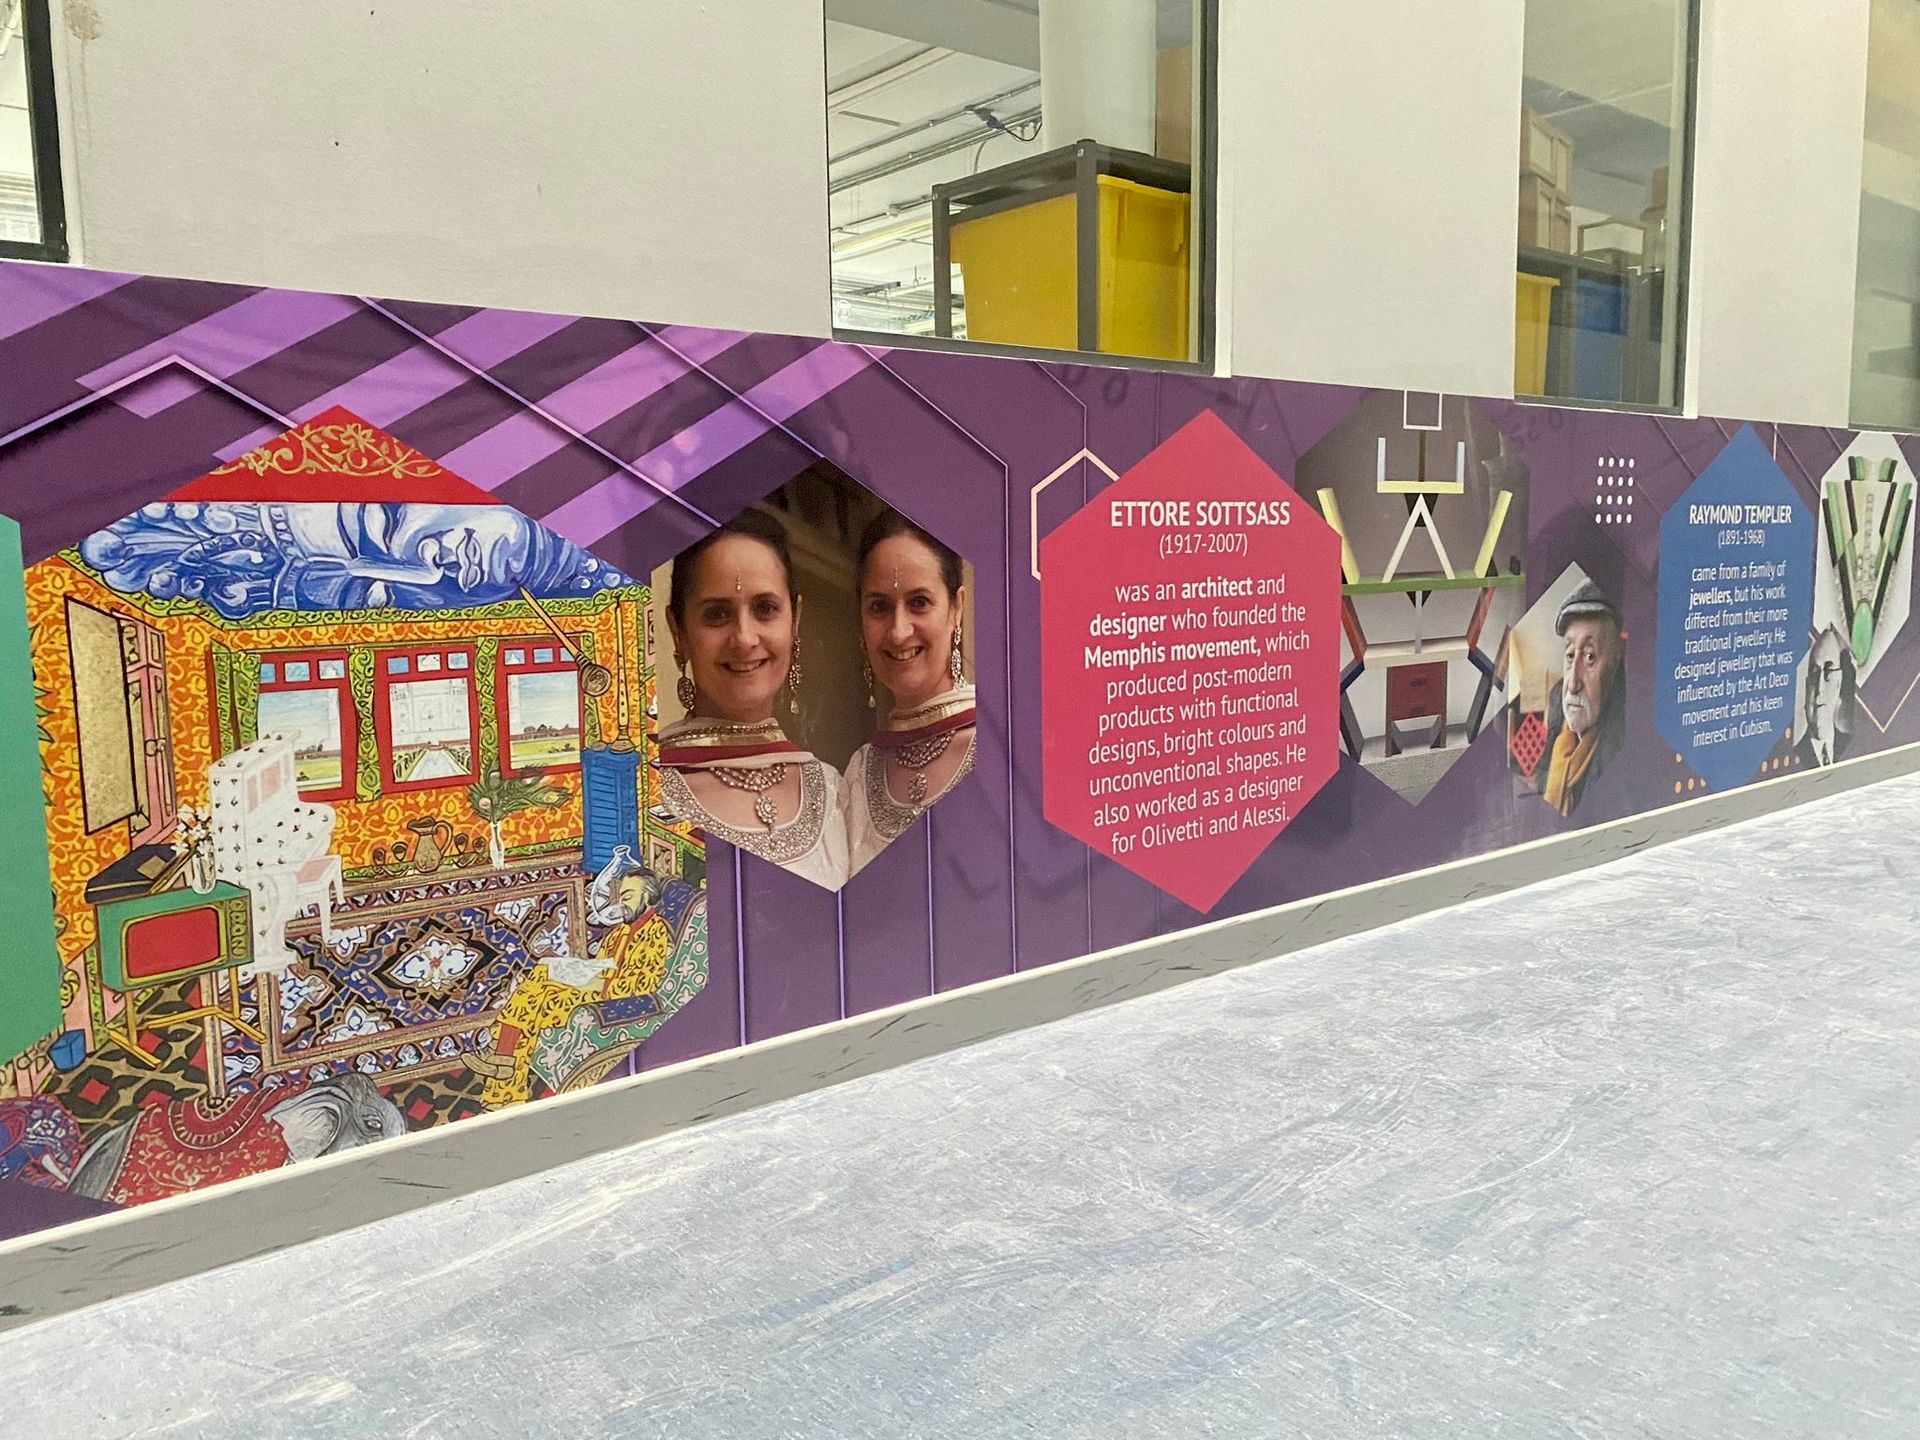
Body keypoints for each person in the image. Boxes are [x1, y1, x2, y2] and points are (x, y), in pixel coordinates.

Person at [657, 510, 848, 888]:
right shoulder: (648, 794)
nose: (744, 638)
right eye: (717, 614)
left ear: (794, 620)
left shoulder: (832, 791)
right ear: (679, 632)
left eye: (765, 609)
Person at [79, 501, 626, 619]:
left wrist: (382, 577)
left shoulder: (446, 585)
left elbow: (366, 586)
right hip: (271, 518)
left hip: (271, 567)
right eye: (466, 549)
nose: (447, 563)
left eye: (465, 574)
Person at [466, 849, 674, 1107]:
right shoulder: (619, 932)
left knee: (536, 1003)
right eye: (621, 896)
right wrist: (577, 972)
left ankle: (503, 1078)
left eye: (628, 896)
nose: (621, 903)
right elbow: (601, 964)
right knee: (541, 975)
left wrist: (593, 982)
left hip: (612, 997)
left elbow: (639, 985)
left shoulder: (655, 933)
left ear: (648, 897)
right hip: (594, 985)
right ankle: (504, 1063)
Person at [841, 510, 975, 877]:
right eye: (879, 607)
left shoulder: (1007, 744)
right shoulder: (858, 775)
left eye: (919, 602)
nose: (898, 632)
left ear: (957, 609)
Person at [1534, 579, 1626, 817]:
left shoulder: (1626, 737)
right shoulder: (1556, 704)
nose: (1573, 685)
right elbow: (1541, 774)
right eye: (1569, 655)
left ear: (1615, 660)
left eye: (1590, 657)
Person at [1792, 625, 1855, 769]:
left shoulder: (1849, 744)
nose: (1820, 687)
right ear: (1806, 685)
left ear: (1839, 682)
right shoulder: (1793, 754)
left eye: (1828, 671)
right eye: (1814, 673)